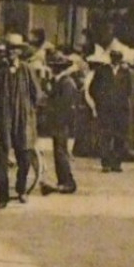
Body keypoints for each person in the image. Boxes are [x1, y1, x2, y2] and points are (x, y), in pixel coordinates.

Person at [0, 33, 42, 206]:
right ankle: (2, 197)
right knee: (1, 157)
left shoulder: (26, 70)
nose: (11, 53)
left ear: (20, 52)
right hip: (3, 120)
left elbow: (37, 94)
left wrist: (28, 111)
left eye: (15, 50)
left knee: (25, 157)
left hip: (22, 119)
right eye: (9, 49)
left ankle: (21, 188)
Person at [39, 49, 85, 195]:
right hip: (58, 122)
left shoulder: (67, 83)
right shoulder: (59, 81)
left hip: (61, 122)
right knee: (58, 151)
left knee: (61, 151)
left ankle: (67, 181)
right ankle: (63, 180)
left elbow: (64, 105)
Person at [91, 49, 134, 172]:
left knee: (119, 136)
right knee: (106, 135)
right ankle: (105, 163)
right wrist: (100, 101)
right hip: (106, 109)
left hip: (121, 109)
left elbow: (129, 90)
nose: (116, 60)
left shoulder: (125, 72)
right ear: (111, 58)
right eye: (114, 57)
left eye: (118, 58)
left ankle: (116, 163)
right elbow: (93, 88)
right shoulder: (102, 71)